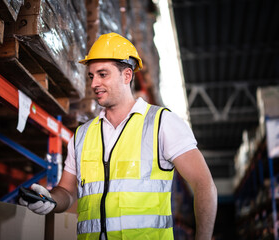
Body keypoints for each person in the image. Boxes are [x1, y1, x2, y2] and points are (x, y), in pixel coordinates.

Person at [19, 32, 217, 240]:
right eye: (91, 76)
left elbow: (204, 185)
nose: (94, 83)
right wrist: (49, 200)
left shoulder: (161, 123)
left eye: (103, 74)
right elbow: (67, 193)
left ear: (127, 76)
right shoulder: (82, 135)